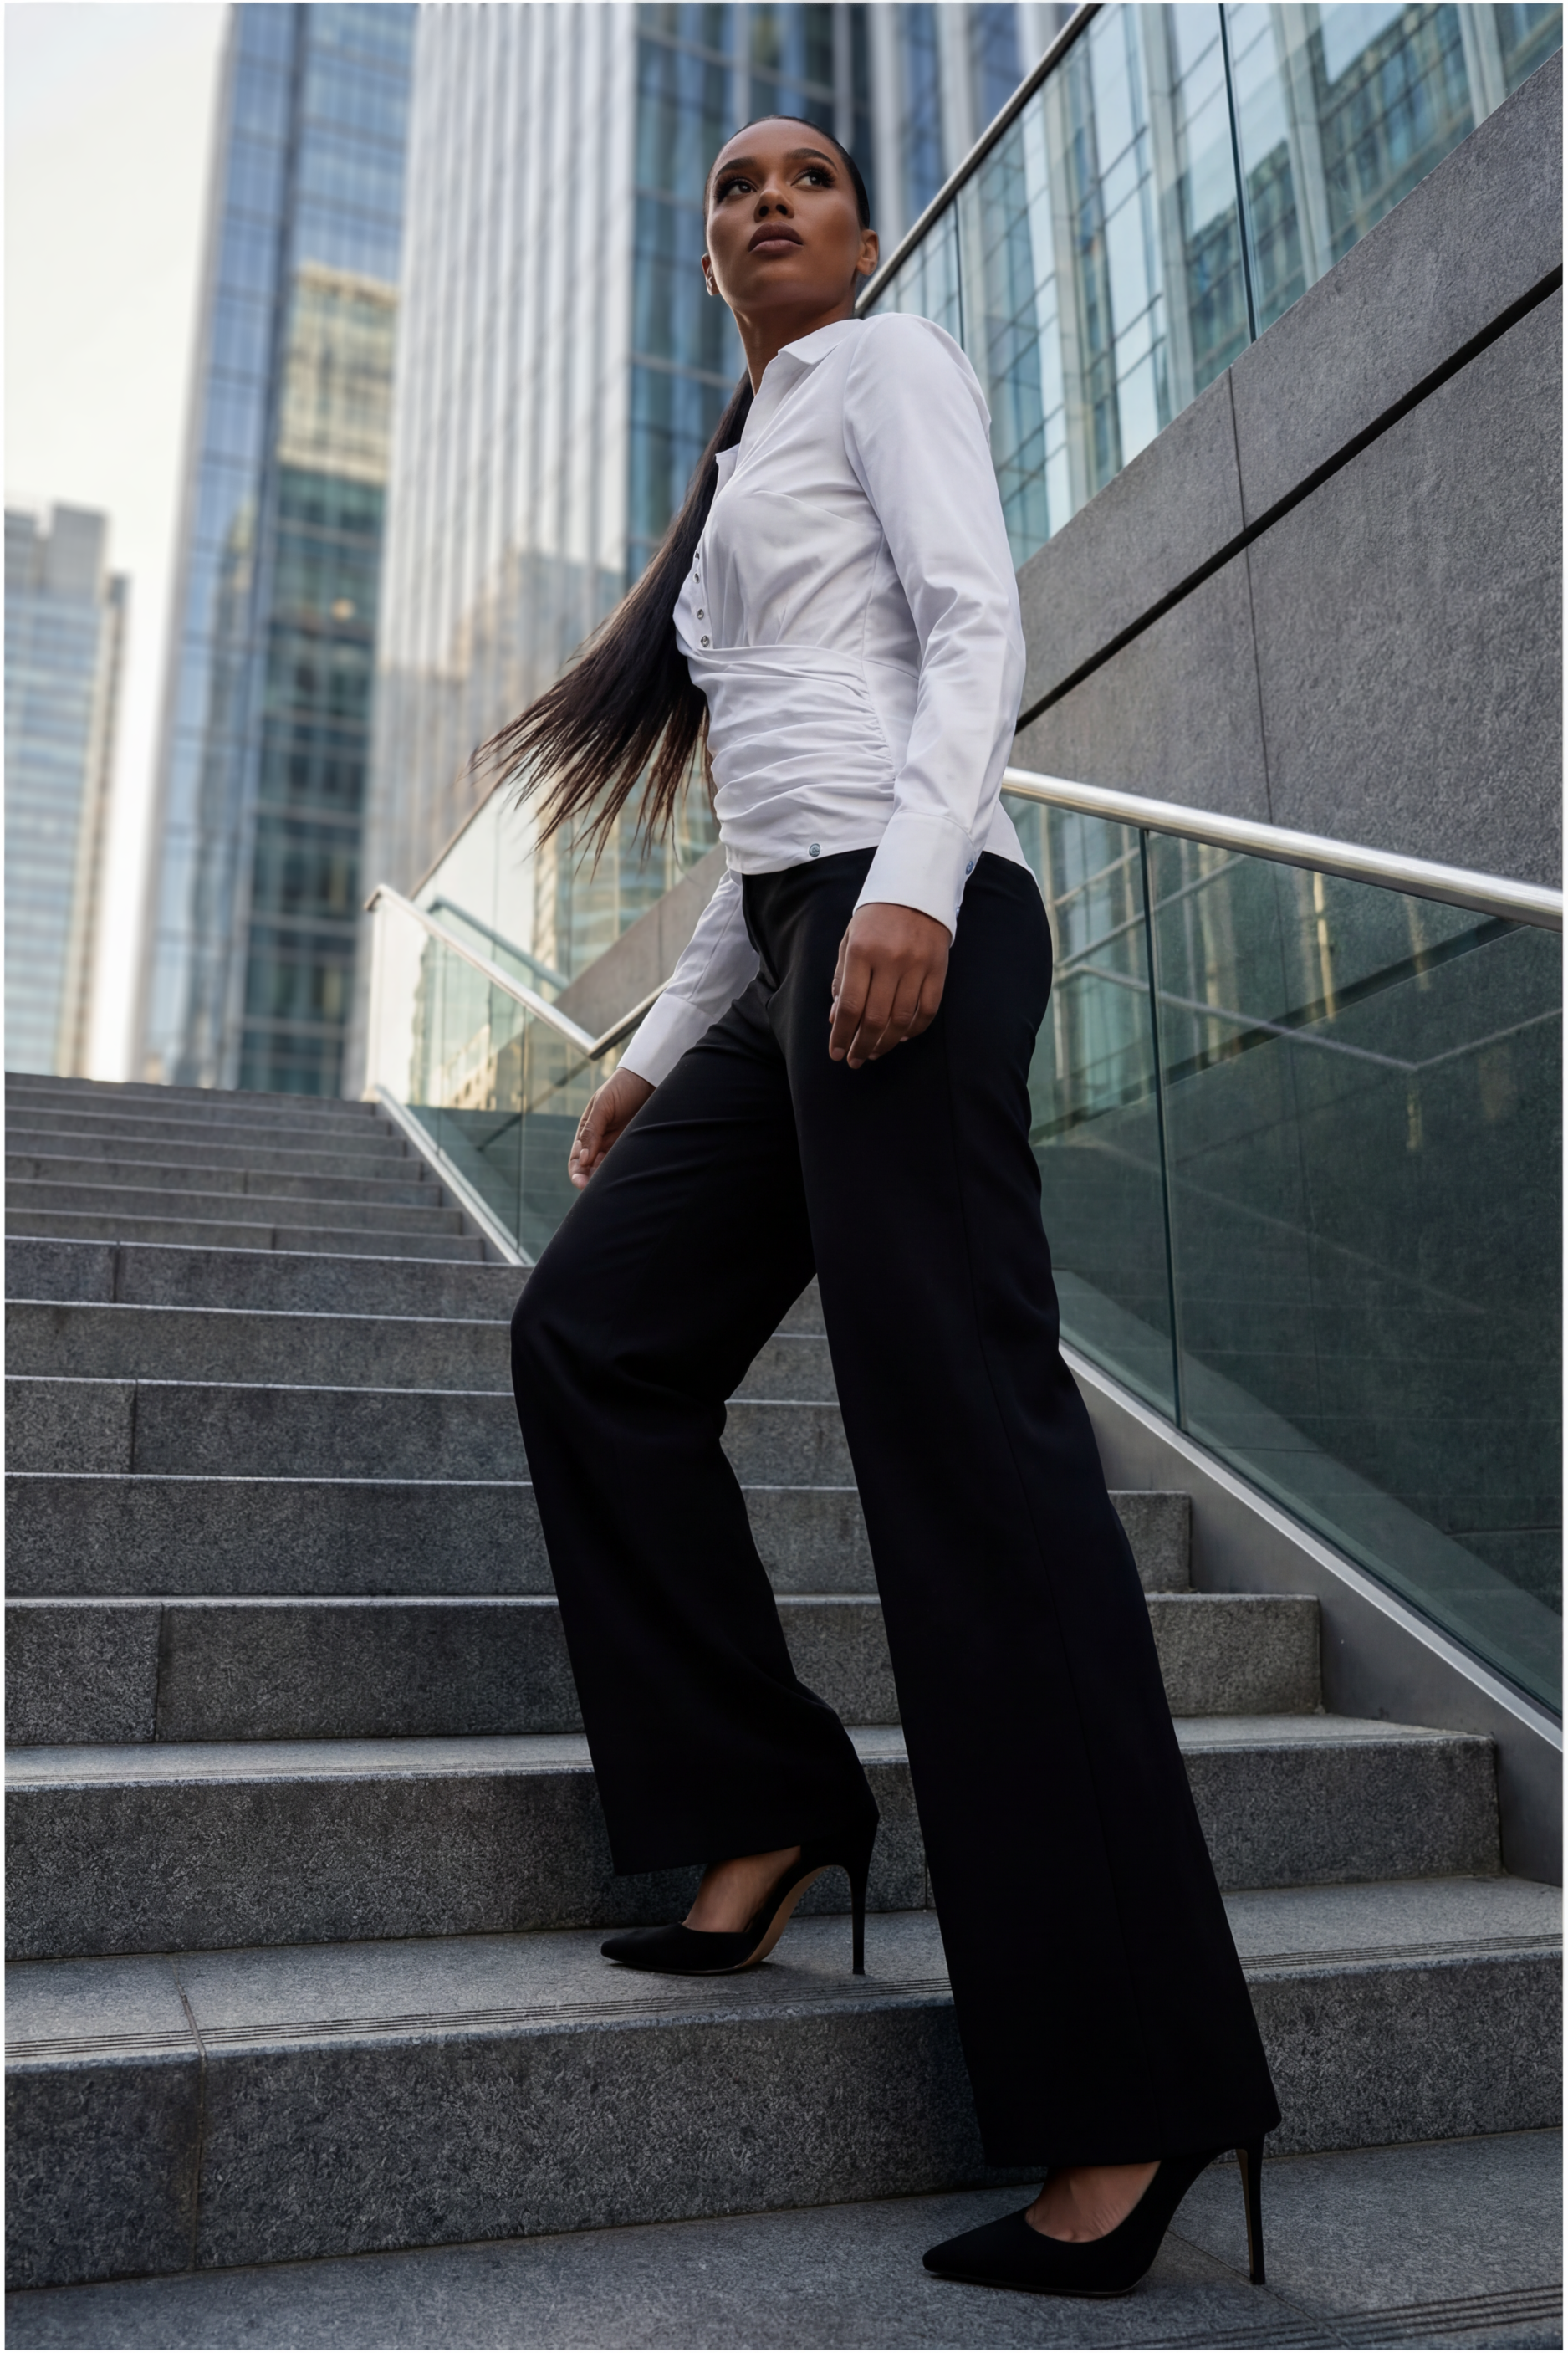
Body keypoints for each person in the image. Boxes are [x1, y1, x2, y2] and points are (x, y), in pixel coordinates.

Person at [502, 113, 1279, 2299]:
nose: (765, 199)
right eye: (732, 183)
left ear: (857, 232)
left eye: (807, 178)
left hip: (909, 922)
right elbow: (774, 782)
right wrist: (663, 1044)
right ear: (714, 256)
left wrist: (924, 886)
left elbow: (968, 623)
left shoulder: (895, 368)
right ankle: (762, 1795)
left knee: (968, 1460)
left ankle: (1130, 2096)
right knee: (592, 1331)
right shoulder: (751, 451)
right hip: (792, 939)